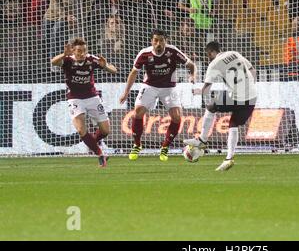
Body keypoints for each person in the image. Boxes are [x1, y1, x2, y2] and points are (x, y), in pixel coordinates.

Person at [119, 29, 197, 161]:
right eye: (156, 40)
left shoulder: (173, 51)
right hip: (150, 86)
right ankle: (137, 145)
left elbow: (191, 64)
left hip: (169, 88)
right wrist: (126, 92)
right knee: (137, 112)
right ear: (152, 41)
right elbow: (133, 73)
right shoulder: (144, 53)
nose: (158, 43)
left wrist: (192, 76)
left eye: (161, 40)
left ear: (165, 41)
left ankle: (165, 147)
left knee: (177, 117)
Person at [184, 41, 257, 171]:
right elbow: (252, 70)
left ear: (211, 52)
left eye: (208, 55)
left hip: (236, 97)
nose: (208, 58)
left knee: (211, 106)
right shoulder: (234, 53)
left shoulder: (214, 64)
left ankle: (202, 140)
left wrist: (197, 91)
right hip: (251, 97)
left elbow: (206, 91)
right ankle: (229, 158)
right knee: (233, 123)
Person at [50, 38, 118, 167]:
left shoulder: (91, 59)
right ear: (73, 51)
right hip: (75, 98)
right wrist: (64, 54)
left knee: (105, 131)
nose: (82, 53)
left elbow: (114, 70)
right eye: (79, 51)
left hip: (92, 98)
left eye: (84, 51)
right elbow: (53, 62)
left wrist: (105, 66)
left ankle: (92, 143)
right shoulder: (68, 60)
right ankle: (100, 154)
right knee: (81, 129)